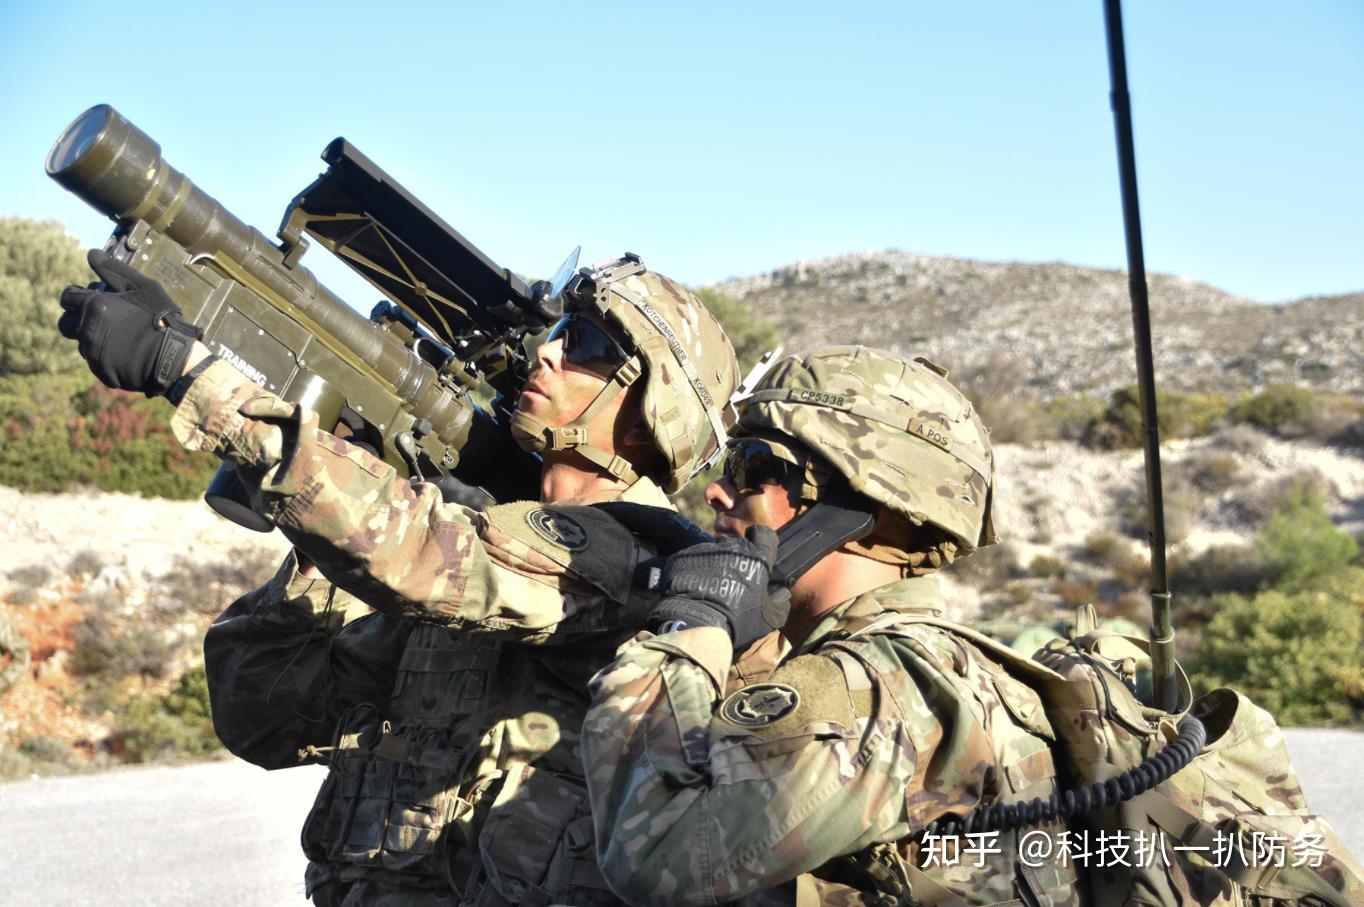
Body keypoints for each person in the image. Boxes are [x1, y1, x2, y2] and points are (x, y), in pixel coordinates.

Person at [57, 250, 747, 906]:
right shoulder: (475, 554)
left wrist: (189, 372)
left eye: (589, 347)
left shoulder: (622, 555)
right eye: (562, 329)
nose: (548, 350)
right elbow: (261, 714)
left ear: (655, 411)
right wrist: (321, 538)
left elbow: (416, 549)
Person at [581, 345, 1081, 906]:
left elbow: (657, 856)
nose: (720, 491)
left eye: (757, 468)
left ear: (866, 504)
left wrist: (691, 622)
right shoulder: (882, 667)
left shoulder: (886, 682)